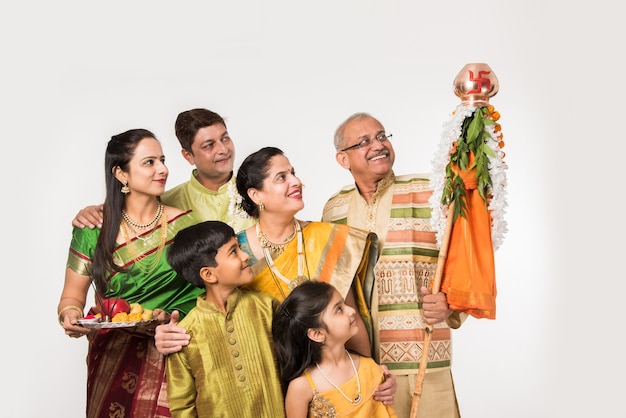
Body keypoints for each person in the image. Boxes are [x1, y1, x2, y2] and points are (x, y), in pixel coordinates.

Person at [155, 146, 397, 405]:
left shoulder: (329, 239)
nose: (296, 181)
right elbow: (211, 312)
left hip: (335, 388)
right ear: (256, 194)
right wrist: (166, 334)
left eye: (293, 173)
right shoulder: (235, 255)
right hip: (267, 391)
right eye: (281, 177)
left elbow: (352, 317)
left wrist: (373, 374)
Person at [322, 112, 465, 418]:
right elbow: (331, 288)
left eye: (382, 136)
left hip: (422, 358)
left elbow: (463, 260)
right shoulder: (334, 208)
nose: (378, 145)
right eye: (363, 142)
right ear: (343, 160)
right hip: (360, 367)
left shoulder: (430, 192)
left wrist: (450, 306)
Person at [58, 128, 204, 417]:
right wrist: (70, 316)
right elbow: (71, 297)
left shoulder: (187, 224)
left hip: (174, 347)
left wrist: (171, 316)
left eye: (162, 160)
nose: (162, 169)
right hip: (113, 357)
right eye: (149, 162)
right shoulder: (93, 230)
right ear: (121, 174)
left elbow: (207, 292)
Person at [165, 220, 285, 417]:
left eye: (240, 247)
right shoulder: (185, 333)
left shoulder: (266, 307)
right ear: (209, 274)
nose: (246, 256)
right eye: (234, 252)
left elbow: (293, 367)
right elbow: (181, 405)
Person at [71, 108, 255, 232]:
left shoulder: (259, 190)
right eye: (209, 145)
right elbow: (128, 215)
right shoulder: (167, 205)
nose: (223, 150)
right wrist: (93, 213)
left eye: (225, 139)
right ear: (188, 156)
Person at [273, 280, 397, 418]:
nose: (352, 310)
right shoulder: (301, 387)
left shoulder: (368, 366)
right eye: (339, 309)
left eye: (344, 304)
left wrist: (385, 382)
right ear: (317, 334)